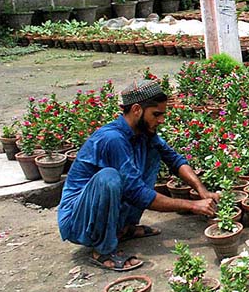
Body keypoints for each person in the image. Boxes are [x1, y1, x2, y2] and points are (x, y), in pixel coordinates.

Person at [58, 79, 218, 271]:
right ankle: (103, 250)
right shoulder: (112, 139)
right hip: (78, 220)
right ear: (136, 110)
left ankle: (124, 228)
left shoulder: (144, 133)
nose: (161, 120)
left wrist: (202, 191)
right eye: (156, 114)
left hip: (99, 209)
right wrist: (192, 205)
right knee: (109, 178)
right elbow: (136, 193)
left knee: (152, 154)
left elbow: (174, 160)